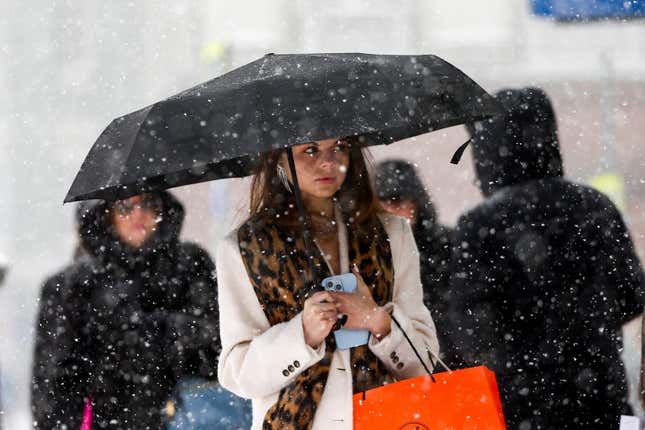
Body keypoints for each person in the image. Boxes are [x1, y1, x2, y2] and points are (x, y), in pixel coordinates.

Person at [449, 87, 645, 429]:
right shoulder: (595, 206)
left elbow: (469, 327)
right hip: (600, 394)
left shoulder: (480, 225)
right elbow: (632, 295)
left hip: (519, 404)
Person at [216, 137, 439, 429]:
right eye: (310, 150)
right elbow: (237, 373)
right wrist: (303, 335)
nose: (328, 162)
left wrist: (379, 321)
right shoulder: (245, 249)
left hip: (389, 420)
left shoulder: (391, 233)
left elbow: (425, 363)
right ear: (280, 159)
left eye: (341, 146)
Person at [31, 192, 224, 430]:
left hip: (187, 419)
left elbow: (218, 348)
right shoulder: (72, 287)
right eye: (124, 206)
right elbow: (53, 386)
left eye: (148, 203)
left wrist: (158, 332)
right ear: (106, 213)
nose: (138, 214)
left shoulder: (190, 266)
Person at [373, 160, 456, 363]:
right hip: (406, 364)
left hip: (454, 359)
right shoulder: (371, 259)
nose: (390, 212)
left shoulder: (450, 245)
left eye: (396, 201)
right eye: (380, 205)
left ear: (416, 203)